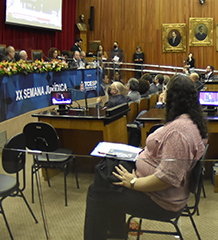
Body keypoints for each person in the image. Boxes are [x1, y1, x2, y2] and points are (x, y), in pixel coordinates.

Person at [84, 76, 207, 240]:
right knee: (107, 167)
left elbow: (167, 179)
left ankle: (113, 234)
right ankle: (116, 234)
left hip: (161, 200)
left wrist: (135, 183)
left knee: (98, 191)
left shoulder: (178, 133)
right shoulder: (191, 121)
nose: (163, 95)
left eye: (166, 92)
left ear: (172, 98)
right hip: (158, 187)